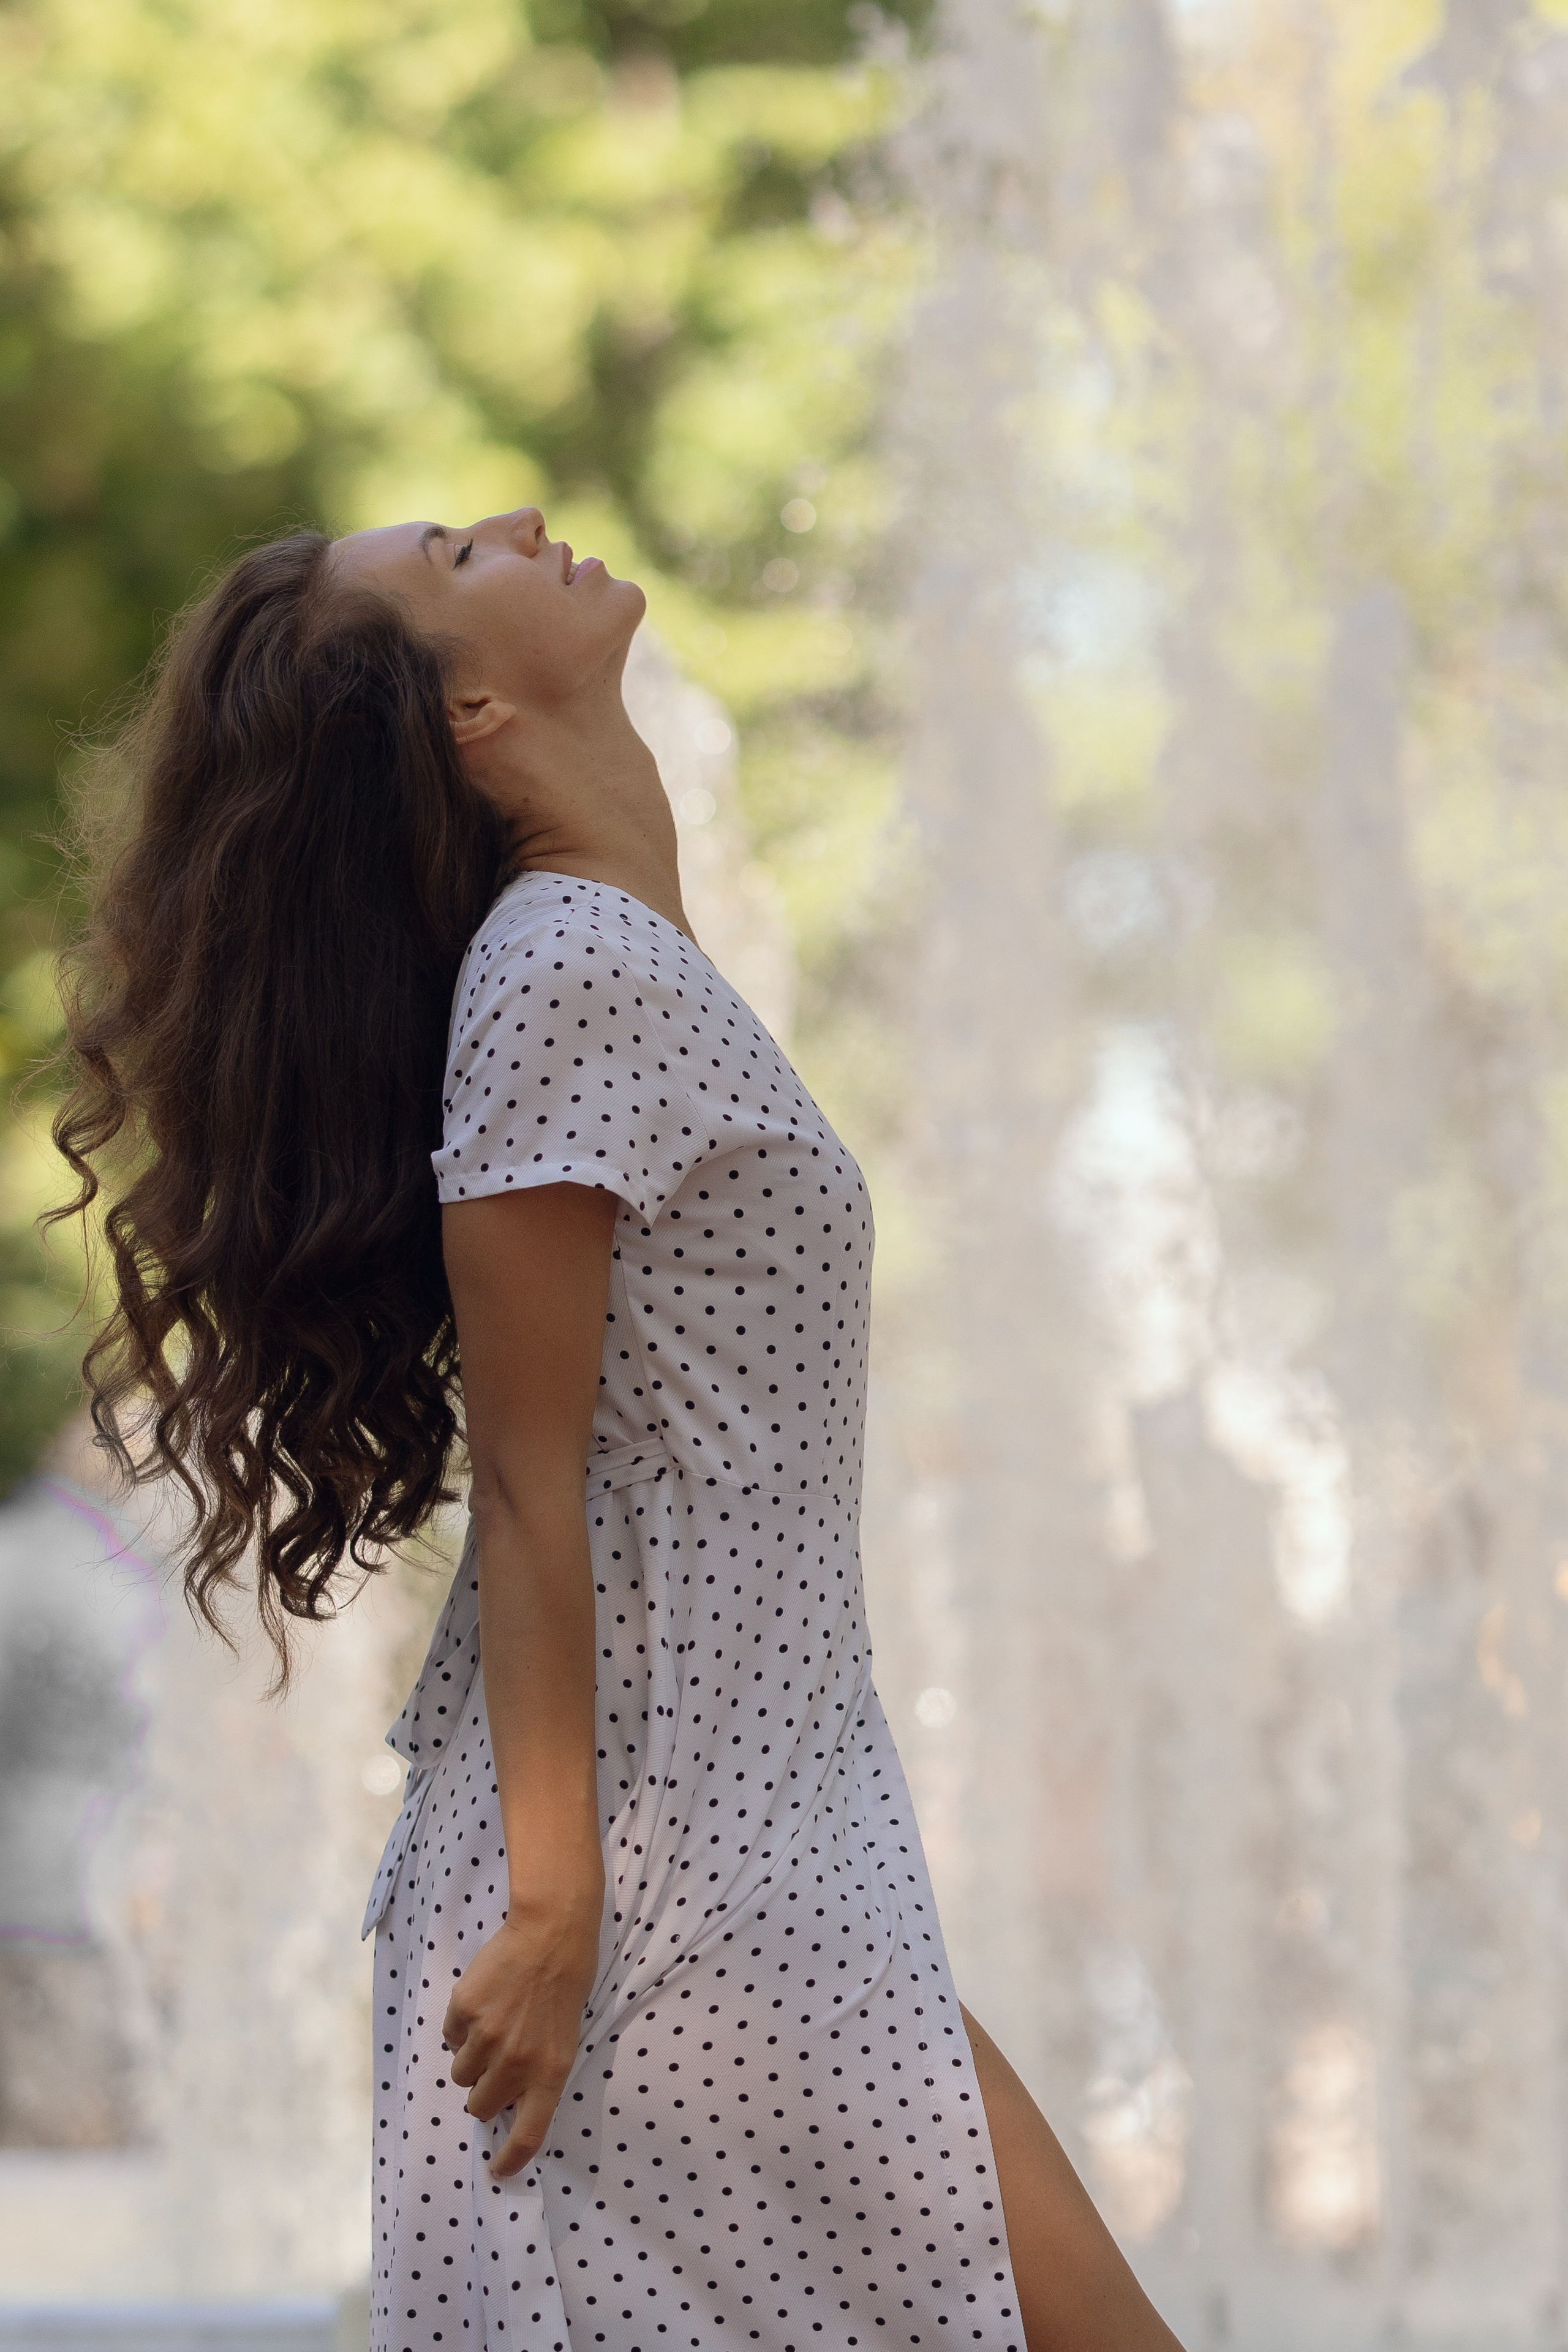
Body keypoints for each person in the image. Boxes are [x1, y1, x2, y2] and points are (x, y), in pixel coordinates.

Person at [51, 507, 1184, 2352]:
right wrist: (563, 1903)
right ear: (475, 708)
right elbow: (524, 1474)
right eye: (451, 554)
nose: (512, 523)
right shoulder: (568, 970)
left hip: (741, 1847)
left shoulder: (606, 962)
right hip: (669, 1896)